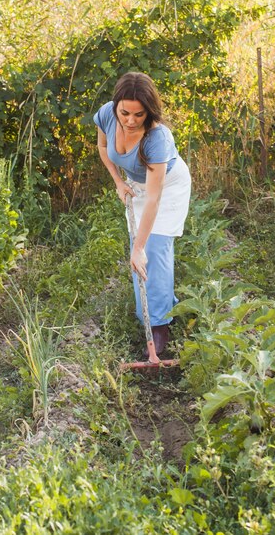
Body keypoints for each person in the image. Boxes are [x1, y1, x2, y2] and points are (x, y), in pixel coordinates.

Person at [93, 72, 191, 355]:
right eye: (125, 112)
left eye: (139, 114)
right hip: (136, 185)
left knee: (152, 249)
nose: (131, 120)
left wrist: (137, 247)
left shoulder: (157, 137)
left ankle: (160, 327)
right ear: (116, 106)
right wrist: (118, 181)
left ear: (149, 111)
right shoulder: (107, 115)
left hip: (167, 187)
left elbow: (155, 197)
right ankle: (158, 310)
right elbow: (102, 147)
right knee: (144, 256)